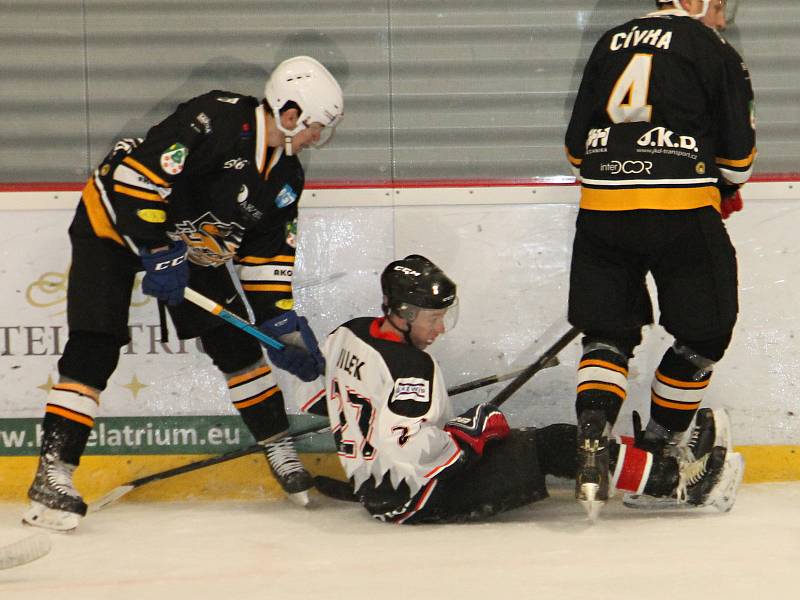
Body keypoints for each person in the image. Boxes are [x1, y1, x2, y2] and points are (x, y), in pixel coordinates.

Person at [23, 56, 343, 531]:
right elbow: (134, 179)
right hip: (111, 225)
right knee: (95, 344)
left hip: (187, 245)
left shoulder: (286, 180)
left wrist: (281, 322)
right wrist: (156, 249)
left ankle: (278, 445)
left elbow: (265, 259)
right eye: (317, 125)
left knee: (238, 346)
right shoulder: (214, 117)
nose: (319, 137)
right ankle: (54, 471)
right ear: (290, 114)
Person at [298, 255, 741, 524]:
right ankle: (680, 484)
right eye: (433, 319)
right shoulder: (413, 368)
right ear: (403, 312)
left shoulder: (348, 333)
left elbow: (326, 398)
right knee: (557, 444)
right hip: (417, 496)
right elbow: (414, 455)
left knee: (546, 441)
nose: (439, 330)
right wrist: (471, 432)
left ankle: (652, 461)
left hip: (379, 487)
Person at [563, 0, 755, 517]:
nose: (723, 14)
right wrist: (724, 185)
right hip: (680, 208)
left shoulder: (609, 41)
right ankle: (660, 446)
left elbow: (576, 150)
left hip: (602, 208)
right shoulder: (714, 49)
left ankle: (592, 435)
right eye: (719, 3)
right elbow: (737, 158)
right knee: (703, 333)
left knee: (607, 333)